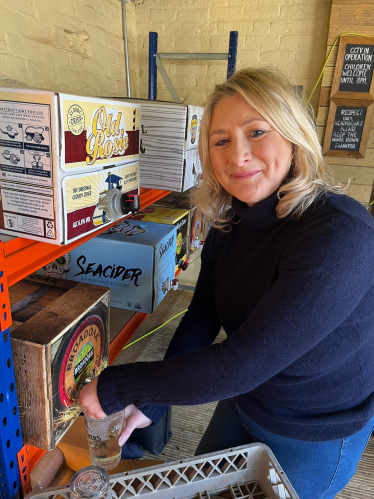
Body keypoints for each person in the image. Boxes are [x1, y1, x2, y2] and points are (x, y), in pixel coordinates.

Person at [78, 67, 374, 499]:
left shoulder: (340, 233)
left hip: (311, 430)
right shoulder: (229, 221)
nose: (238, 155)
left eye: (256, 132)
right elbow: (202, 319)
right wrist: (153, 403)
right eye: (221, 141)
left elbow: (243, 363)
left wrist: (117, 387)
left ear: (293, 138)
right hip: (244, 399)